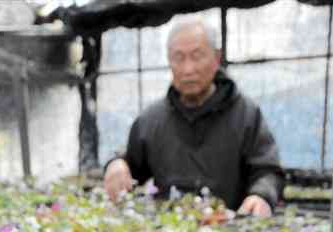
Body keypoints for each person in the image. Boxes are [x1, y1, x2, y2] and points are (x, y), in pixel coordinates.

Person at [104, 17, 283, 217]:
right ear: (169, 61)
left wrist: (261, 195)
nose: (188, 69)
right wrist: (117, 163)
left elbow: (267, 171)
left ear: (216, 59)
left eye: (197, 56)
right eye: (178, 58)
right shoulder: (151, 119)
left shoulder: (246, 114)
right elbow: (130, 161)